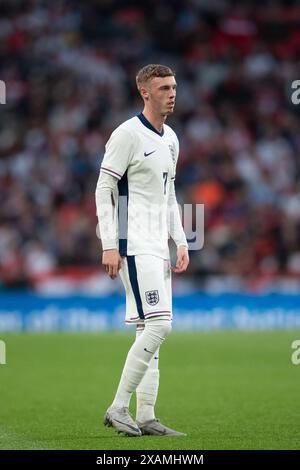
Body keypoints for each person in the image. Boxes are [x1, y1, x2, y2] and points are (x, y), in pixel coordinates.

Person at [95, 64, 189, 437]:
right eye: (164, 87)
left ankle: (146, 416)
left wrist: (180, 240)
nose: (172, 93)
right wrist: (109, 244)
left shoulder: (171, 139)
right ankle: (118, 407)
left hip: (157, 246)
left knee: (149, 330)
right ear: (145, 93)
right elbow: (104, 188)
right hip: (132, 244)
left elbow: (169, 195)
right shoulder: (127, 134)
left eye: (174, 87)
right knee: (161, 325)